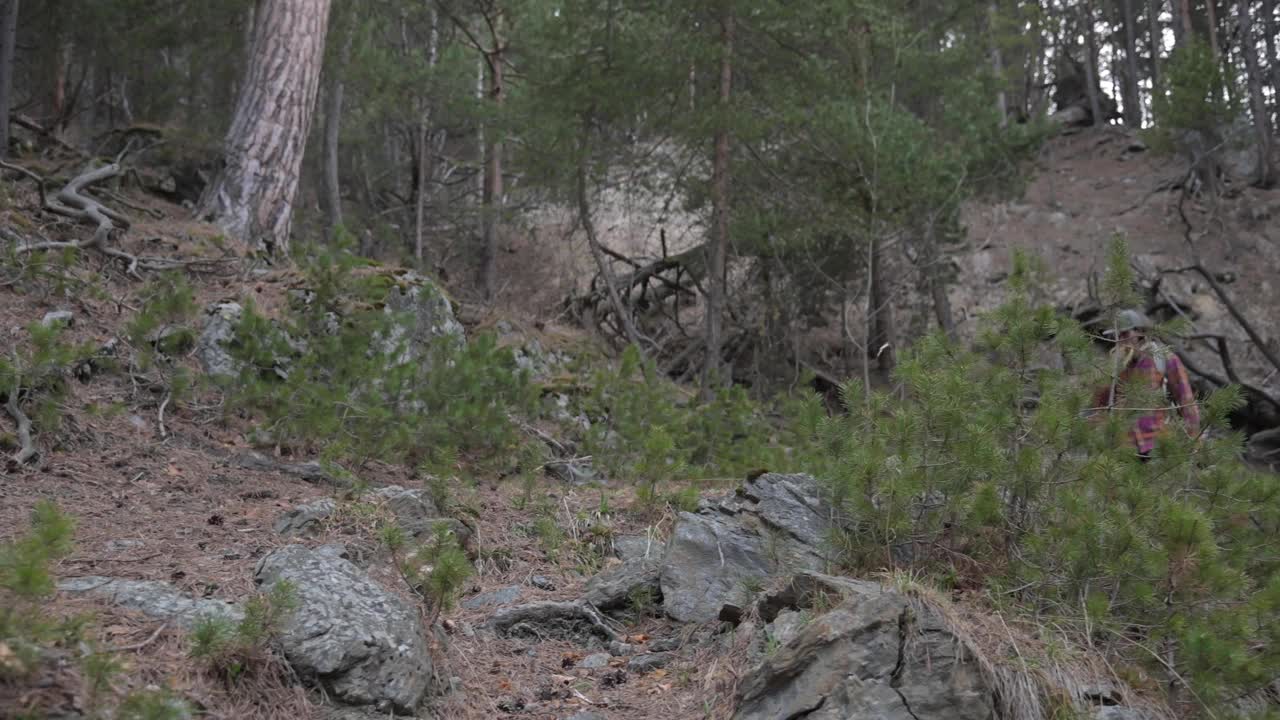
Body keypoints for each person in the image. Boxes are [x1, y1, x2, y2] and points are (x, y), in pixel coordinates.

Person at [1092, 309, 1201, 460]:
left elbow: (1186, 401)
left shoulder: (1163, 359)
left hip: (1156, 446)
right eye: (1116, 336)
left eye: (1125, 334)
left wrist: (1195, 443)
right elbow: (1099, 406)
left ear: (1139, 332)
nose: (1120, 340)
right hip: (1123, 450)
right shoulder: (1114, 367)